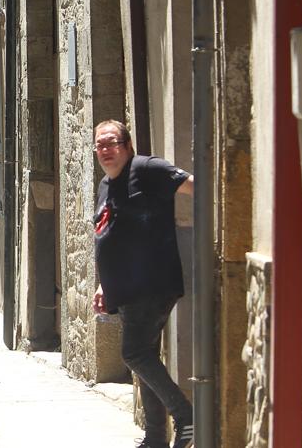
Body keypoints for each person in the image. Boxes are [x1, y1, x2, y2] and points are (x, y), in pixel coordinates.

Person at [91, 119, 195, 448]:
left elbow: (197, 186)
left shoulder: (147, 169)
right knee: (145, 357)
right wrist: (102, 285)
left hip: (153, 283)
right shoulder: (106, 184)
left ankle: (185, 416)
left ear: (127, 145)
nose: (105, 150)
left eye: (112, 143)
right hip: (126, 289)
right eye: (100, 145)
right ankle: (155, 439)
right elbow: (107, 236)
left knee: (134, 353)